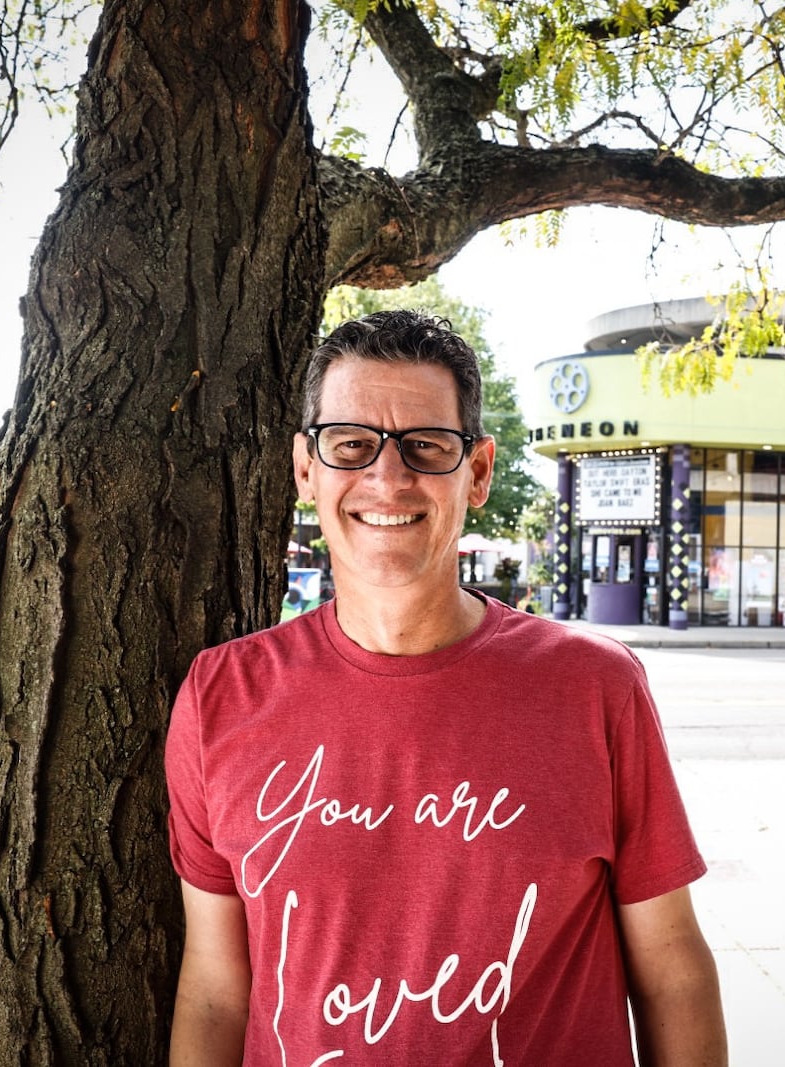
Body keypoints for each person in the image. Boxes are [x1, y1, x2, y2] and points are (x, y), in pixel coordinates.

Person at [165, 310, 726, 1065]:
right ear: (306, 469)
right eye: (351, 444)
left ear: (479, 471)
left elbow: (673, 975)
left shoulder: (596, 688)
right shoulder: (219, 696)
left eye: (426, 446)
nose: (387, 477)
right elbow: (214, 989)